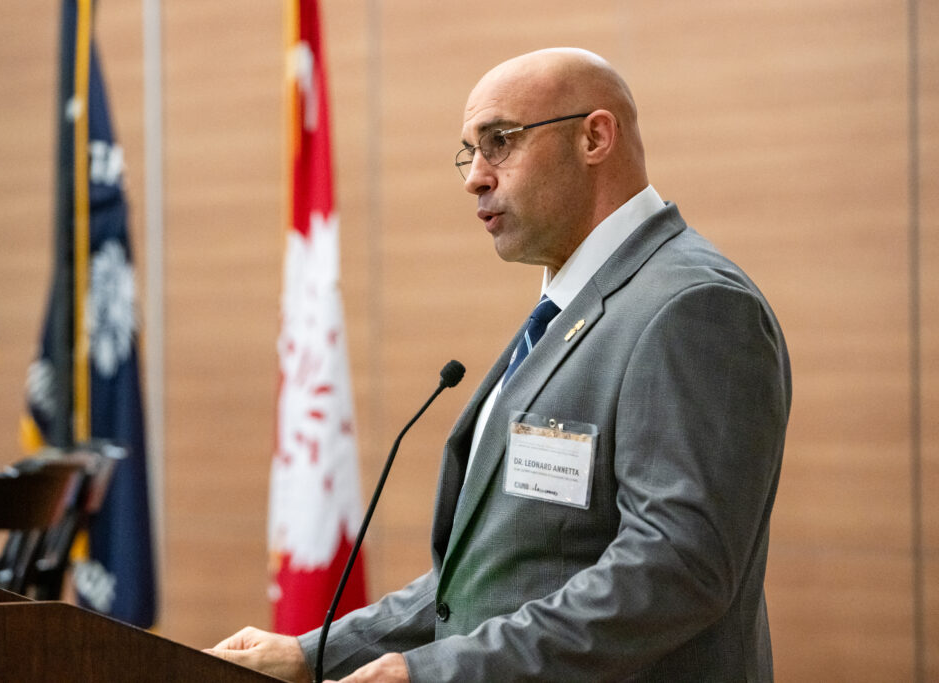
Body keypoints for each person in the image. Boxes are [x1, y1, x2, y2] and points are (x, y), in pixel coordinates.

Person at [207, 47, 791, 682]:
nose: (474, 177)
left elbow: (675, 573)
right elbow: (495, 574)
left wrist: (432, 674)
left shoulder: (692, 307)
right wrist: (313, 653)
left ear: (595, 137)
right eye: (470, 151)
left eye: (500, 142)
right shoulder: (574, 306)